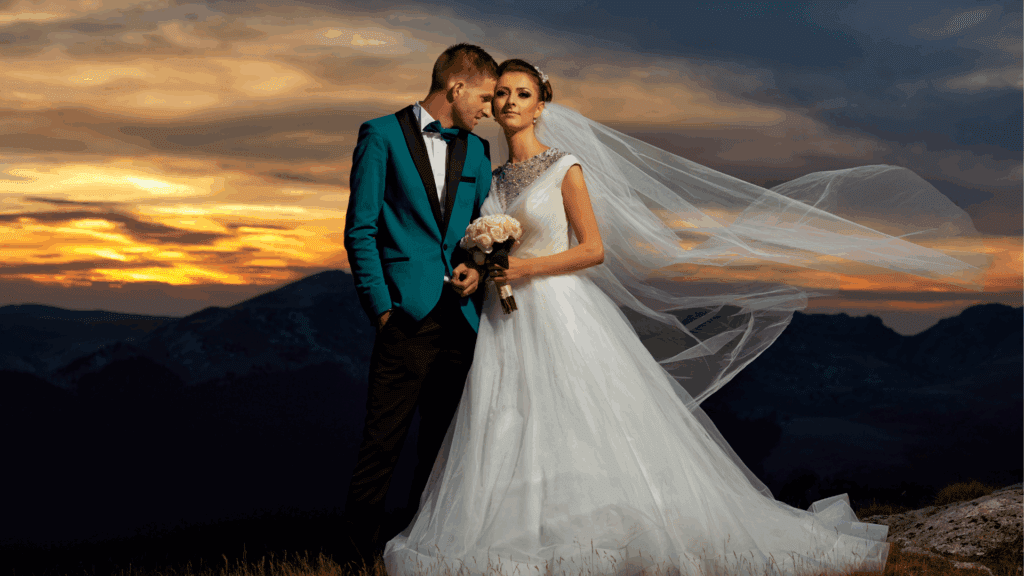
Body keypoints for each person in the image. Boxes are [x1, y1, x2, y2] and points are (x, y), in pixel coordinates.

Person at [377, 57, 985, 576]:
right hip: (505, 322)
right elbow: (484, 246)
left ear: (541, 107)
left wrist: (526, 271)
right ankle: (518, 538)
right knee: (506, 423)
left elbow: (594, 250)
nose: (508, 102)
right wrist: (480, 269)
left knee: (578, 422)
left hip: (560, 314)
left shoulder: (566, 169)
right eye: (501, 93)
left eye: (522, 94)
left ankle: (600, 534)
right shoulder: (495, 174)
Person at [340, 43, 498, 569]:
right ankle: (358, 562)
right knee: (381, 448)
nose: (489, 108)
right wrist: (382, 309)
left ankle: (424, 555)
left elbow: (478, 234)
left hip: (463, 319)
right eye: (484, 96)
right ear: (455, 87)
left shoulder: (478, 151)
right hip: (405, 317)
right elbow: (360, 230)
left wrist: (476, 268)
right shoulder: (380, 135)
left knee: (443, 449)